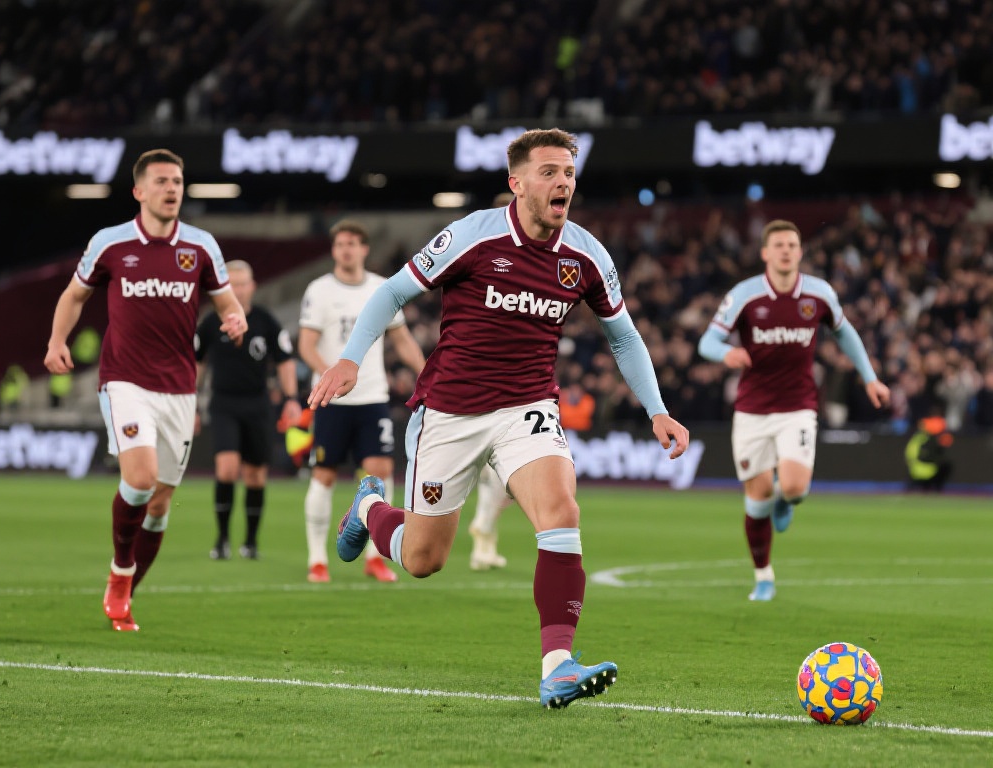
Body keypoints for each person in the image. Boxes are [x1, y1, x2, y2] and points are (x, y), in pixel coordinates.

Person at [309, 128, 689, 709]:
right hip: (450, 412)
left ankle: (558, 666)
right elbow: (390, 295)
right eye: (549, 172)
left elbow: (624, 336)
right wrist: (350, 359)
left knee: (561, 512)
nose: (563, 182)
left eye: (569, 172)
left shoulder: (587, 255)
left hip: (526, 407)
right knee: (423, 560)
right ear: (517, 183)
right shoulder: (473, 235)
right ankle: (369, 508)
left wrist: (657, 410)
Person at [44, 149, 247, 632]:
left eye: (177, 180)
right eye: (161, 181)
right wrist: (56, 341)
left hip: (179, 388)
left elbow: (226, 301)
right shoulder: (111, 243)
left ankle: (127, 592)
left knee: (158, 506)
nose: (171, 188)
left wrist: (235, 318)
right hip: (125, 380)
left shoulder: (200, 246)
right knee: (140, 480)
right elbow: (75, 295)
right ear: (139, 191)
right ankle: (120, 572)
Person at [697, 219, 890, 603]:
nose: (785, 251)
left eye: (791, 245)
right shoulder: (745, 295)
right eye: (779, 245)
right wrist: (727, 353)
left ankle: (787, 500)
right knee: (757, 502)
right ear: (765, 253)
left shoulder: (819, 294)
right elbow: (707, 342)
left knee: (795, 487)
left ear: (800, 252)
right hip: (752, 411)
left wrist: (870, 377)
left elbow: (845, 333)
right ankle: (763, 577)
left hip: (797, 407)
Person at [298, 219, 426, 584]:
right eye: (340, 244)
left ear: (365, 249)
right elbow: (306, 343)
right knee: (324, 475)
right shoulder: (319, 290)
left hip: (372, 398)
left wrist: (426, 374)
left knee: (380, 473)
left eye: (353, 243)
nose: (347, 250)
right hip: (332, 401)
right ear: (334, 250)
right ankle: (317, 559)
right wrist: (329, 375)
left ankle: (375, 557)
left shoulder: (381, 288)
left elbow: (401, 339)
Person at [195, 260, 302, 561]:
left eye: (243, 284)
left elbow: (285, 361)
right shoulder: (211, 322)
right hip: (224, 404)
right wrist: (190, 403)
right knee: (227, 469)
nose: (238, 290)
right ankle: (222, 539)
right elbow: (197, 364)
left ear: (252, 286)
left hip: (257, 405)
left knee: (255, 475)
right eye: (233, 285)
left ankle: (251, 541)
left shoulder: (266, 321)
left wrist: (291, 398)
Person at [904, 413, 953, 491]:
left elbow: (909, 454)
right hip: (926, 469)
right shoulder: (929, 439)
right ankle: (937, 489)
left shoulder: (918, 437)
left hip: (915, 469)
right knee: (946, 464)